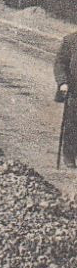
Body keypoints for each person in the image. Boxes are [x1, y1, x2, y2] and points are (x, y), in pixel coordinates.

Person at [57, 30, 77, 167]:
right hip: (74, 90)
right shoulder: (70, 40)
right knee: (72, 122)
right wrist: (63, 82)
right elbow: (60, 63)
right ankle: (69, 155)